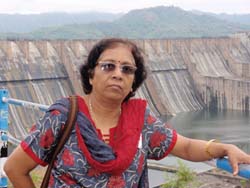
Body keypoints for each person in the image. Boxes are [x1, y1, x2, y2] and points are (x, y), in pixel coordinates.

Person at [4, 38, 250, 188]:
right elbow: (14, 168)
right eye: (108, 66)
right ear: (91, 74)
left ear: (133, 82)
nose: (118, 73)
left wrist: (223, 148)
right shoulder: (64, 116)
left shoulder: (140, 121)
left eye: (127, 69)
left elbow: (184, 147)